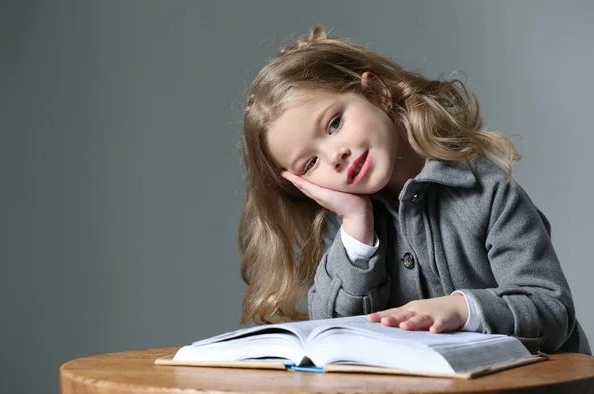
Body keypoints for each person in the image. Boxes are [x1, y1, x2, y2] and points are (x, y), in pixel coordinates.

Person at [238, 26, 590, 354]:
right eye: (310, 164)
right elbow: (331, 335)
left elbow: (551, 309)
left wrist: (461, 309)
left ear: (376, 93)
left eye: (334, 123)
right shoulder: (347, 229)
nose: (336, 156)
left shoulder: (486, 192)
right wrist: (358, 229)